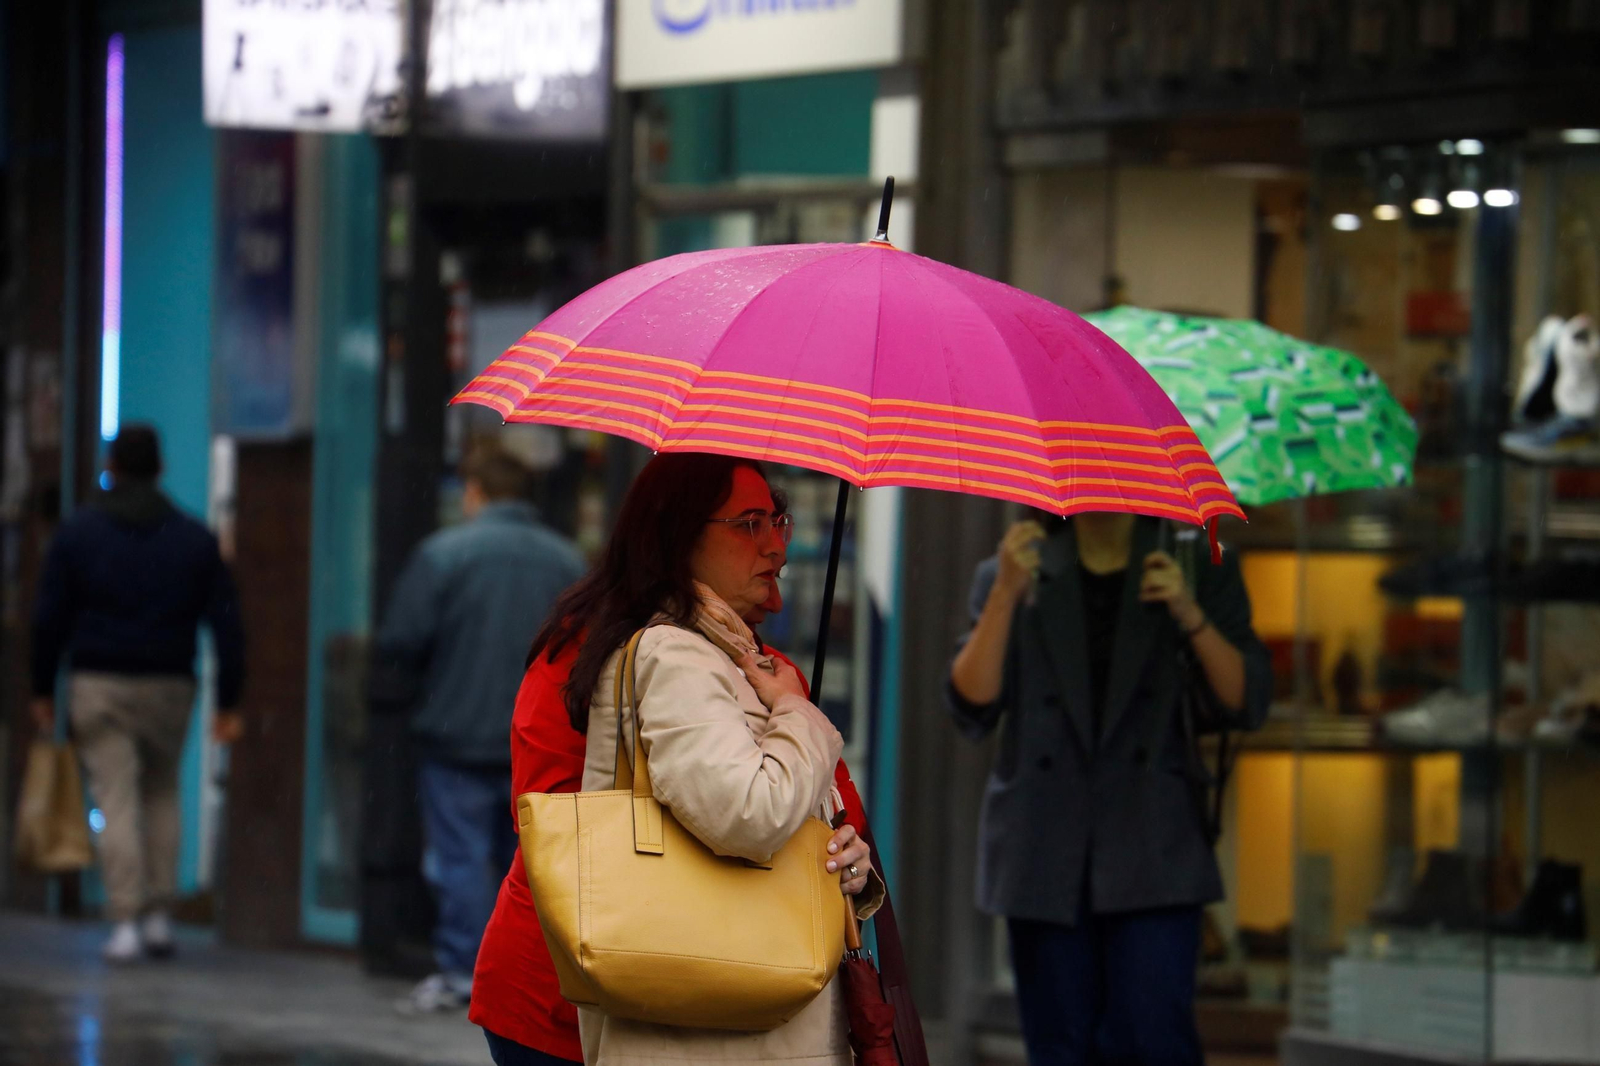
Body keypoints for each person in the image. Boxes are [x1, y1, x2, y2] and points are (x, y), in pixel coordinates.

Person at [470, 514, 875, 1066]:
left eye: (780, 523)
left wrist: (847, 858)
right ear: (679, 537)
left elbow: (832, 823)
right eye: (750, 524)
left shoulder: (772, 674)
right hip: (570, 993)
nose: (778, 548)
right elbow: (554, 823)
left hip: (714, 1003)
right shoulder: (599, 651)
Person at [948, 512, 1272, 1066]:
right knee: (1059, 1046)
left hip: (1156, 845)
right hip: (1044, 850)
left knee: (1154, 1041)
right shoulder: (1014, 568)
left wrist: (1189, 613)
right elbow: (972, 706)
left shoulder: (1196, 564)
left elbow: (1245, 702)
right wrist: (1004, 594)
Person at [377, 441, 586, 1015]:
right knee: (532, 865)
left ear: (474, 492)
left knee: (460, 860)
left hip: (457, 732)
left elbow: (401, 640)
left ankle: (466, 972)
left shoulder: (444, 555)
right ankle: (528, 973)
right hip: (539, 743)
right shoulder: (567, 562)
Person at [29, 424, 246, 962]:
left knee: (116, 797)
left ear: (112, 466)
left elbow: (49, 617)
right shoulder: (194, 538)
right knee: (163, 792)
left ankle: (124, 916)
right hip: (170, 683)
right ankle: (159, 916)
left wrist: (40, 685)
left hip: (99, 682)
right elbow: (227, 623)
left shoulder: (80, 533)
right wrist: (229, 700)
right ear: (162, 469)